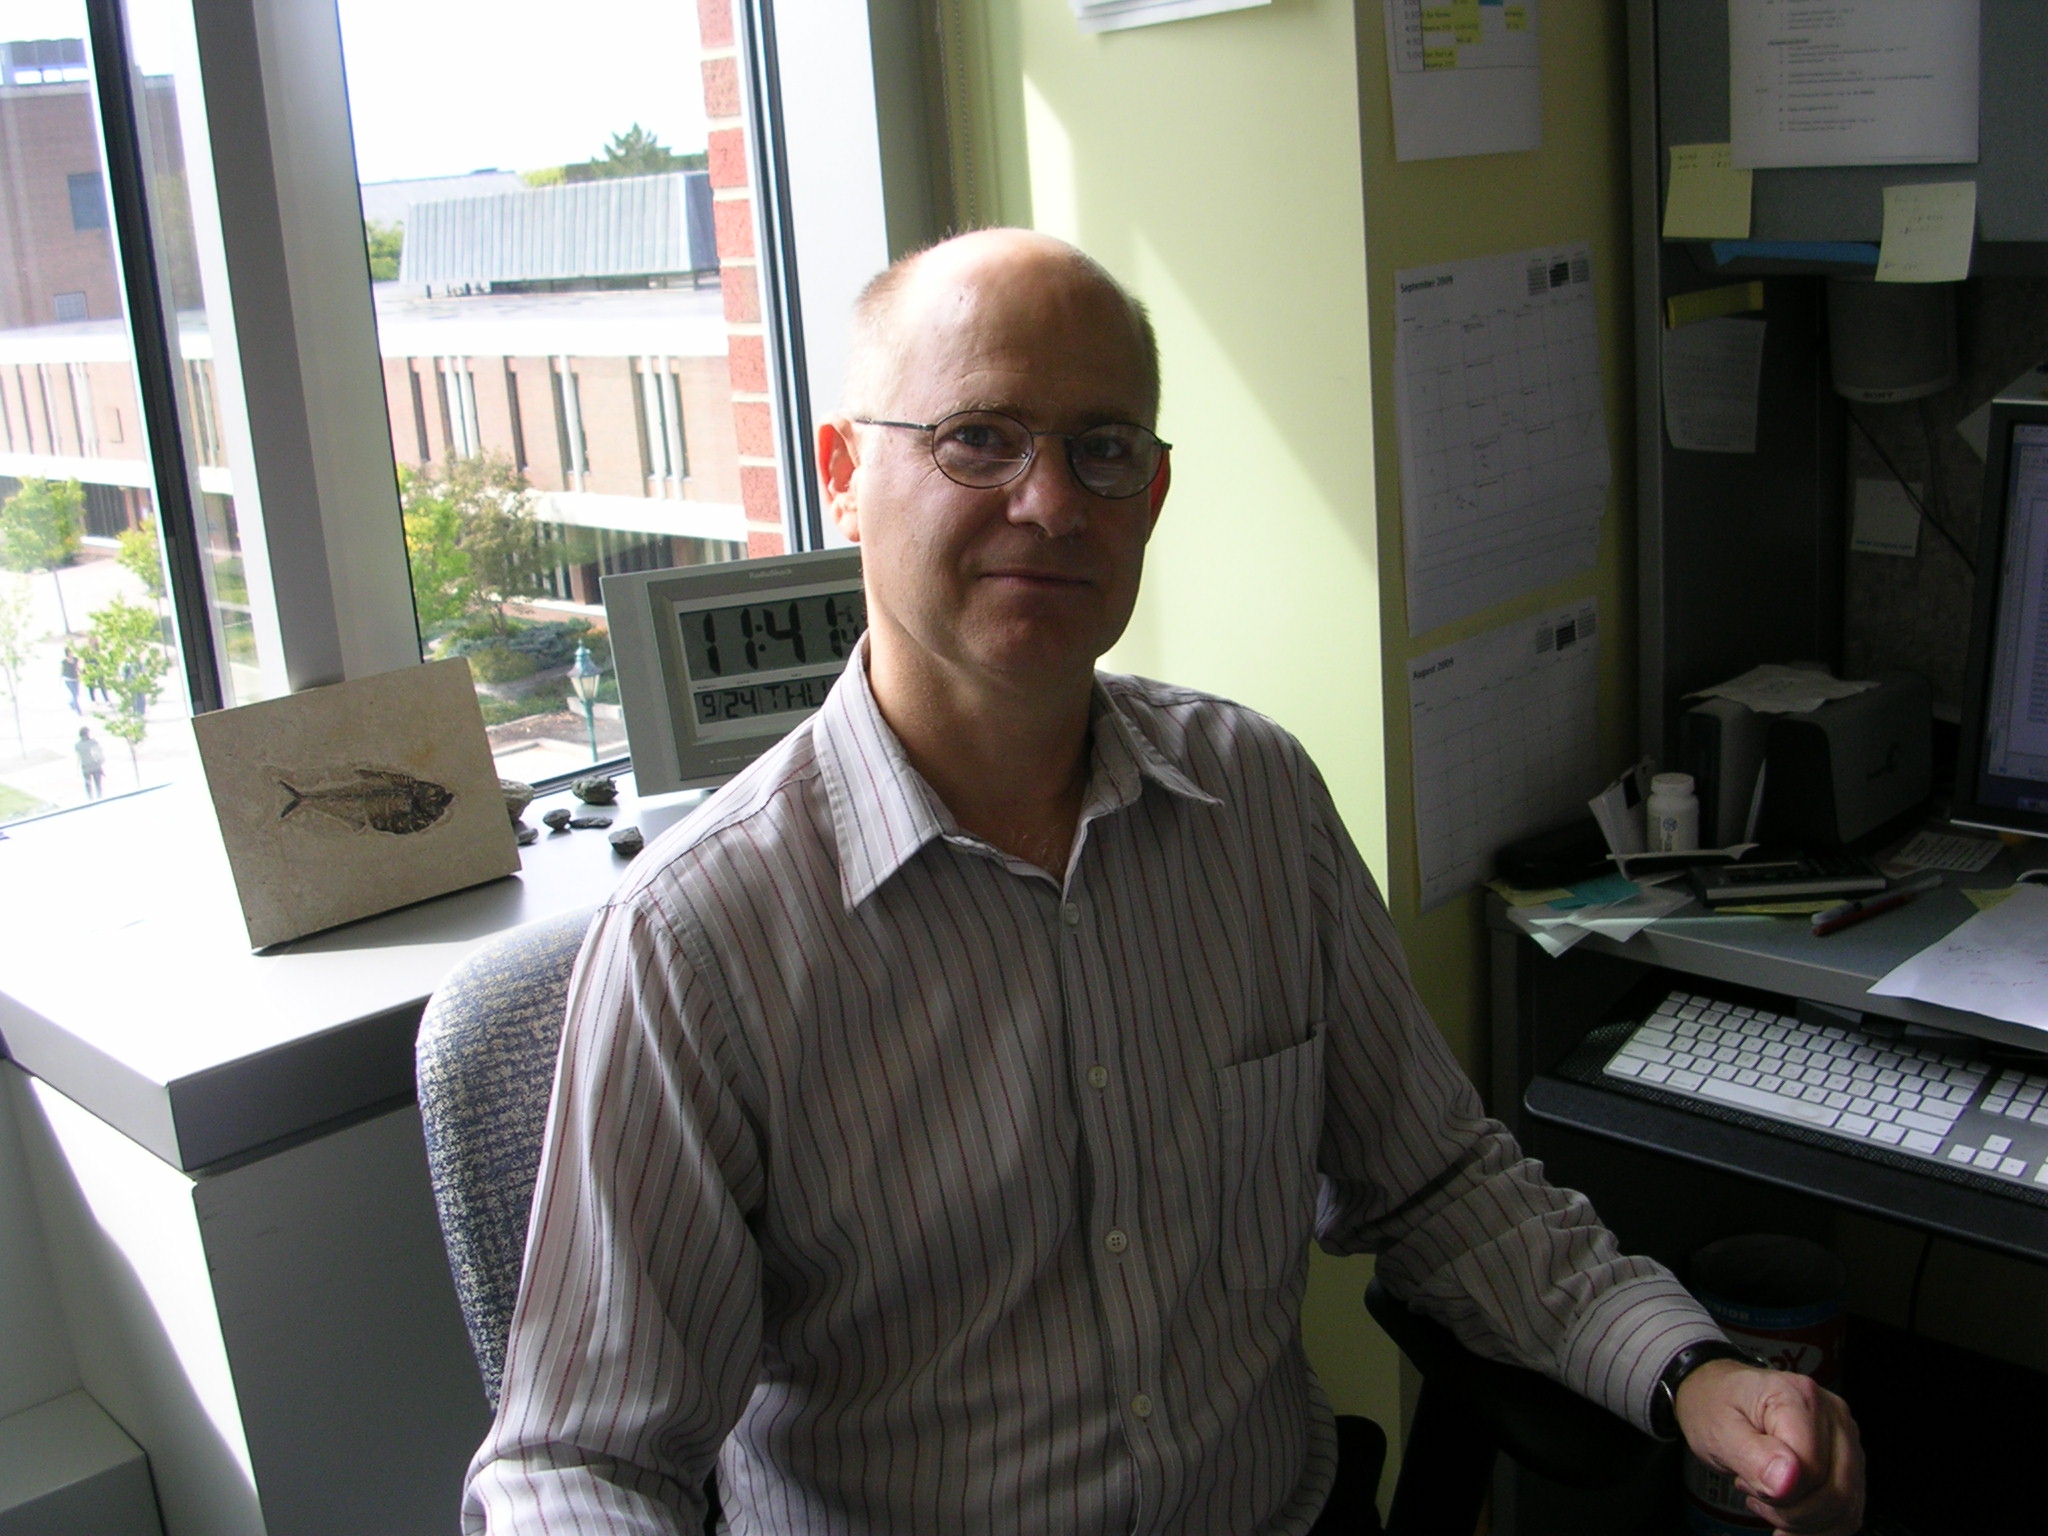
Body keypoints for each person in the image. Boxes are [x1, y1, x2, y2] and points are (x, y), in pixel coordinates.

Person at [465, 230, 1862, 1536]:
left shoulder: (1255, 804)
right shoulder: (701, 938)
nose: (1050, 502)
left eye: (1103, 448)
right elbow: (581, 1463)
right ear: (842, 468)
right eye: (976, 438)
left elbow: (1438, 1182)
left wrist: (1687, 1370)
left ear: (1154, 491)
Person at [75, 725, 104, 800]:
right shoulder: (93, 742)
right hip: (94, 766)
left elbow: (78, 757)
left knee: (89, 785)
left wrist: (77, 768)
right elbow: (99, 754)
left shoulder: (78, 745)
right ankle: (98, 798)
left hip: (87, 767)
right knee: (97, 785)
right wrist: (101, 763)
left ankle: (91, 799)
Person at [60, 648, 81, 714]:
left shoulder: (75, 659)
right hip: (68, 679)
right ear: (67, 653)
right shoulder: (64, 661)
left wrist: (81, 673)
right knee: (74, 694)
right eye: (70, 652)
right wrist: (60, 679)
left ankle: (71, 702)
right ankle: (78, 709)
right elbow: (61, 670)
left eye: (72, 652)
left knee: (77, 693)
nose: (71, 654)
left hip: (75, 678)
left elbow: (77, 668)